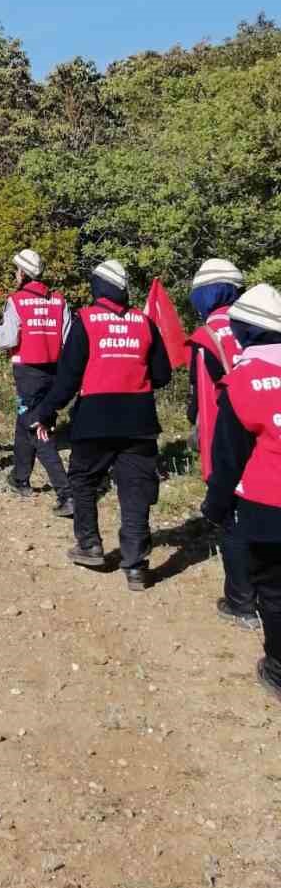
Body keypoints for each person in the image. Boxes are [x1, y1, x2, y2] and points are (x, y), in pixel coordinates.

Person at [27, 259, 172, 590]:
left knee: (83, 479)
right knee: (135, 490)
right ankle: (135, 565)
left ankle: (90, 544)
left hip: (94, 418)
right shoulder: (145, 322)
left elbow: (67, 379)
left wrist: (47, 412)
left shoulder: (86, 321)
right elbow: (162, 375)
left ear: (97, 287)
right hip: (139, 421)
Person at [202, 284, 281, 702]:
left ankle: (278, 669)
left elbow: (228, 458)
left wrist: (215, 508)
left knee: (273, 589)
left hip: (269, 507)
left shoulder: (241, 382)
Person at [188, 258, 254, 626]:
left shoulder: (208, 337)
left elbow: (205, 400)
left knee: (232, 515)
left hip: (231, 434)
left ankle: (241, 601)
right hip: (270, 430)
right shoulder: (263, 323)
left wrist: (211, 459)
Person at [0, 248, 73, 515]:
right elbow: (67, 340)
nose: (15, 274)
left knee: (37, 429)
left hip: (28, 373)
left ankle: (66, 493)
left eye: (16, 270)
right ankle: (20, 478)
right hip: (55, 372)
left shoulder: (16, 301)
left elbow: (7, 340)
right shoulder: (60, 300)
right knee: (25, 421)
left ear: (24, 273)